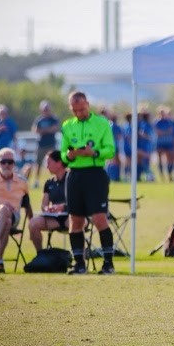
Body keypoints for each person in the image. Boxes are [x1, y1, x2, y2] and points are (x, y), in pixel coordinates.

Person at [61, 91, 116, 274]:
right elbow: (62, 153)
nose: (79, 113)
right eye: (75, 110)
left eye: (82, 109)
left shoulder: (102, 123)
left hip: (95, 174)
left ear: (88, 104)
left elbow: (110, 150)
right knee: (75, 220)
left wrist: (95, 153)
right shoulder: (67, 126)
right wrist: (69, 155)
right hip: (75, 174)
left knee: (99, 218)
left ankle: (108, 263)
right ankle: (79, 264)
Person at [28, 150, 70, 252]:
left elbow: (79, 201)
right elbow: (44, 205)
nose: (46, 167)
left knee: (75, 224)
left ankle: (79, 258)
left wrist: (62, 207)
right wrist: (47, 209)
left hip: (72, 216)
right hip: (54, 218)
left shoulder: (72, 178)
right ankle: (41, 254)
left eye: (49, 163)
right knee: (33, 223)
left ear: (59, 163)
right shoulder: (49, 183)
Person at [32, 100, 60, 188]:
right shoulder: (39, 119)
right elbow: (35, 130)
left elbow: (54, 129)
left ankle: (57, 179)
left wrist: (43, 130)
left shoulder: (54, 119)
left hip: (51, 144)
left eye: (47, 109)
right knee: (38, 163)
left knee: (55, 163)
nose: (46, 110)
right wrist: (48, 130)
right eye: (44, 109)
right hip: (41, 145)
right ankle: (36, 181)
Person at [154, 106, 174, 182]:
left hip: (168, 143)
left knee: (169, 159)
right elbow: (157, 132)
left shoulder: (168, 122)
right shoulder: (157, 122)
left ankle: (170, 175)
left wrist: (163, 132)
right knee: (160, 159)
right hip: (160, 143)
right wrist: (165, 132)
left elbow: (170, 131)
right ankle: (161, 175)